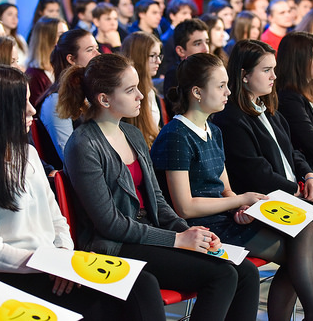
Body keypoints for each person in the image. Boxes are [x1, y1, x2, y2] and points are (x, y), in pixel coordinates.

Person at [58, 54, 260, 321]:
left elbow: (157, 199)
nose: (141, 96)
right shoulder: (83, 144)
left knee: (246, 272)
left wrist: (188, 231)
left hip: (149, 233)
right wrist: (178, 239)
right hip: (116, 244)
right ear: (104, 99)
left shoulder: (132, 134)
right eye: (130, 90)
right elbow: (110, 224)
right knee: (222, 275)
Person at [0, 64, 138, 320]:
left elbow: (57, 220)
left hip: (51, 265)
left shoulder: (28, 153)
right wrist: (52, 264)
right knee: (109, 305)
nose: (32, 110)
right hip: (15, 276)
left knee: (140, 285)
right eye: (22, 103)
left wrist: (63, 256)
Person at [151, 53, 313, 321]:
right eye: (221, 86)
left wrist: (240, 207)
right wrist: (239, 200)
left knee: (304, 232)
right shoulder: (176, 134)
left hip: (223, 218)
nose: (228, 92)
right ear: (197, 92)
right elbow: (185, 207)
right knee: (300, 256)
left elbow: (225, 189)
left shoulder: (213, 130)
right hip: (199, 227)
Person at [211, 40, 313, 319]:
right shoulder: (232, 118)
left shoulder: (266, 107)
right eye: (267, 70)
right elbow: (256, 174)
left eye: (274, 69)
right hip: (266, 200)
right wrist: (297, 189)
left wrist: (309, 175)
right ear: (244, 75)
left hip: (295, 191)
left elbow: (293, 152)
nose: (274, 76)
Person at [38, 29, 99, 164]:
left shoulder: (89, 92)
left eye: (97, 48)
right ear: (71, 59)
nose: (98, 54)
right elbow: (70, 156)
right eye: (90, 50)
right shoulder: (56, 101)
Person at [121, 32, 164, 148]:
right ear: (138, 56)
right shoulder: (127, 96)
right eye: (153, 55)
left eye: (159, 56)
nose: (158, 61)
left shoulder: (152, 92)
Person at [163, 19, 210, 118]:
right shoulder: (175, 75)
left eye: (207, 42)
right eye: (197, 44)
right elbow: (181, 113)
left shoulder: (210, 71)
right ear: (180, 51)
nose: (206, 49)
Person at [26, 17, 68, 106]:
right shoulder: (34, 76)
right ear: (46, 39)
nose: (67, 40)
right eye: (61, 35)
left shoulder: (63, 67)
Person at [0, 2, 28, 68]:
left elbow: (27, 60)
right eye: (10, 14)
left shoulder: (20, 39)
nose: (14, 18)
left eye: (16, 15)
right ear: (0, 16)